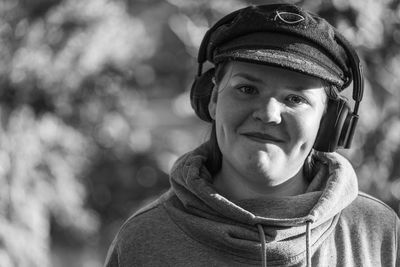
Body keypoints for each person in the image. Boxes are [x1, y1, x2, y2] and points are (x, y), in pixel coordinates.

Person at [104, 3, 400, 267]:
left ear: (329, 121)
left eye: (295, 99)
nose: (268, 114)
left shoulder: (379, 233)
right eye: (247, 89)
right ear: (212, 99)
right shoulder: (145, 241)